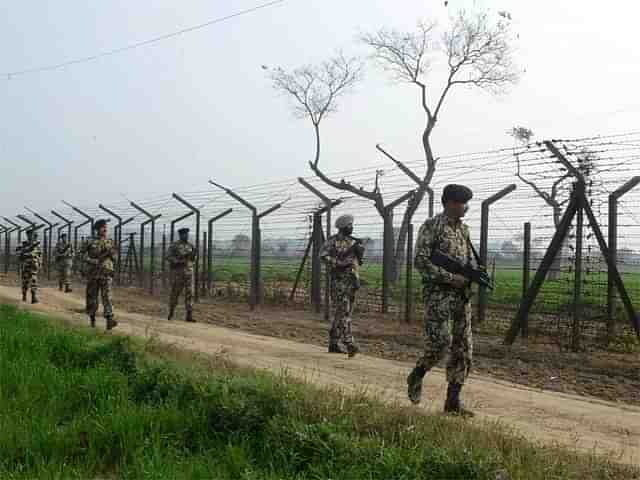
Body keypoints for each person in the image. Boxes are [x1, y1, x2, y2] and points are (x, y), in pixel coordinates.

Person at [407, 184, 475, 417]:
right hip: (438, 296)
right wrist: (449, 277)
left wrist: (470, 274)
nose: (465, 207)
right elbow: (421, 261)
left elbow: (465, 260)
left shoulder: (464, 230)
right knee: (440, 344)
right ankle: (418, 373)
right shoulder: (432, 226)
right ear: (450, 203)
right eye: (461, 202)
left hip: (461, 297)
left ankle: (453, 402)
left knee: (463, 349)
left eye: (466, 203)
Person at [319, 214, 365, 357]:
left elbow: (357, 262)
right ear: (344, 227)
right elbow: (323, 255)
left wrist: (360, 252)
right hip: (339, 281)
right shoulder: (332, 241)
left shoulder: (353, 242)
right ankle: (349, 343)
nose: (352, 227)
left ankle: (334, 343)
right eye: (350, 225)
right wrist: (338, 263)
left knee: (343, 312)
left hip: (351, 281)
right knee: (344, 312)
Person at [82, 219, 117, 329]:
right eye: (103, 227)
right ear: (97, 229)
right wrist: (93, 261)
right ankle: (92, 319)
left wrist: (111, 254)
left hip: (106, 273)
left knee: (107, 296)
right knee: (92, 297)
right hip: (93, 273)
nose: (105, 229)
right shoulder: (89, 241)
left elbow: (115, 258)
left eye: (106, 227)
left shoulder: (110, 241)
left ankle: (109, 319)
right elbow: (80, 255)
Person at [166, 227, 196, 322]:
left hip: (189, 273)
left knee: (190, 293)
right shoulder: (174, 245)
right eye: (184, 234)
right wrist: (177, 261)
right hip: (178, 273)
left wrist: (192, 257)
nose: (186, 236)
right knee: (175, 293)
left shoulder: (191, 245)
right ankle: (171, 312)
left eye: (187, 234)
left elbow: (193, 258)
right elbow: (168, 256)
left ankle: (189, 315)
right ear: (180, 235)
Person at [19, 229, 42, 304]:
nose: (31, 236)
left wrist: (39, 263)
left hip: (34, 266)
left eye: (32, 235)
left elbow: (39, 255)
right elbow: (19, 254)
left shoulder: (37, 245)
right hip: (26, 266)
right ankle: (24, 294)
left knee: (34, 280)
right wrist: (26, 253)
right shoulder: (23, 244)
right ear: (27, 235)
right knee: (25, 282)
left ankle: (33, 297)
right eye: (29, 235)